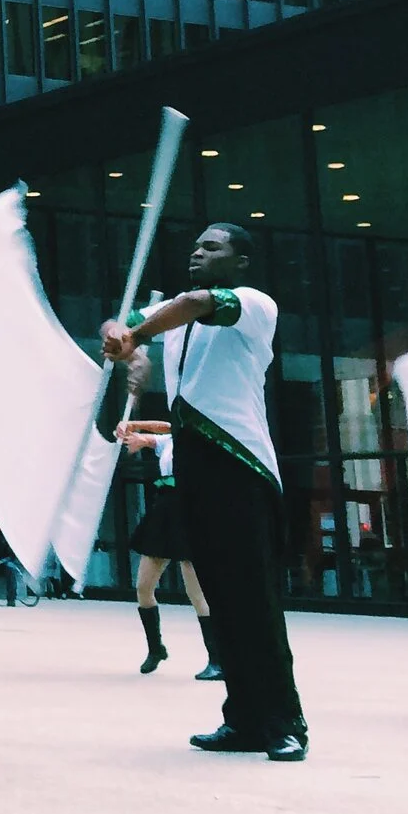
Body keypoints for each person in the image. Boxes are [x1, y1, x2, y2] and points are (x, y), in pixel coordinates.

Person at [101, 221, 305, 763]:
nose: (197, 253)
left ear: (241, 262)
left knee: (253, 598)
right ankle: (243, 718)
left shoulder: (254, 305)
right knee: (219, 597)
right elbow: (122, 322)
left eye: (212, 247)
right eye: (195, 246)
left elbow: (192, 304)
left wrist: (136, 336)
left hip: (240, 463)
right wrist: (123, 340)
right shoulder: (174, 315)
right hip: (194, 463)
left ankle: (285, 721)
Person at [114, 358, 219, 677]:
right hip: (165, 509)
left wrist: (137, 426)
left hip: (190, 509)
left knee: (196, 591)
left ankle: (217, 659)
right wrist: (133, 432)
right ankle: (155, 647)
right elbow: (157, 435)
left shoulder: (197, 436)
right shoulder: (168, 443)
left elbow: (166, 427)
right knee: (143, 586)